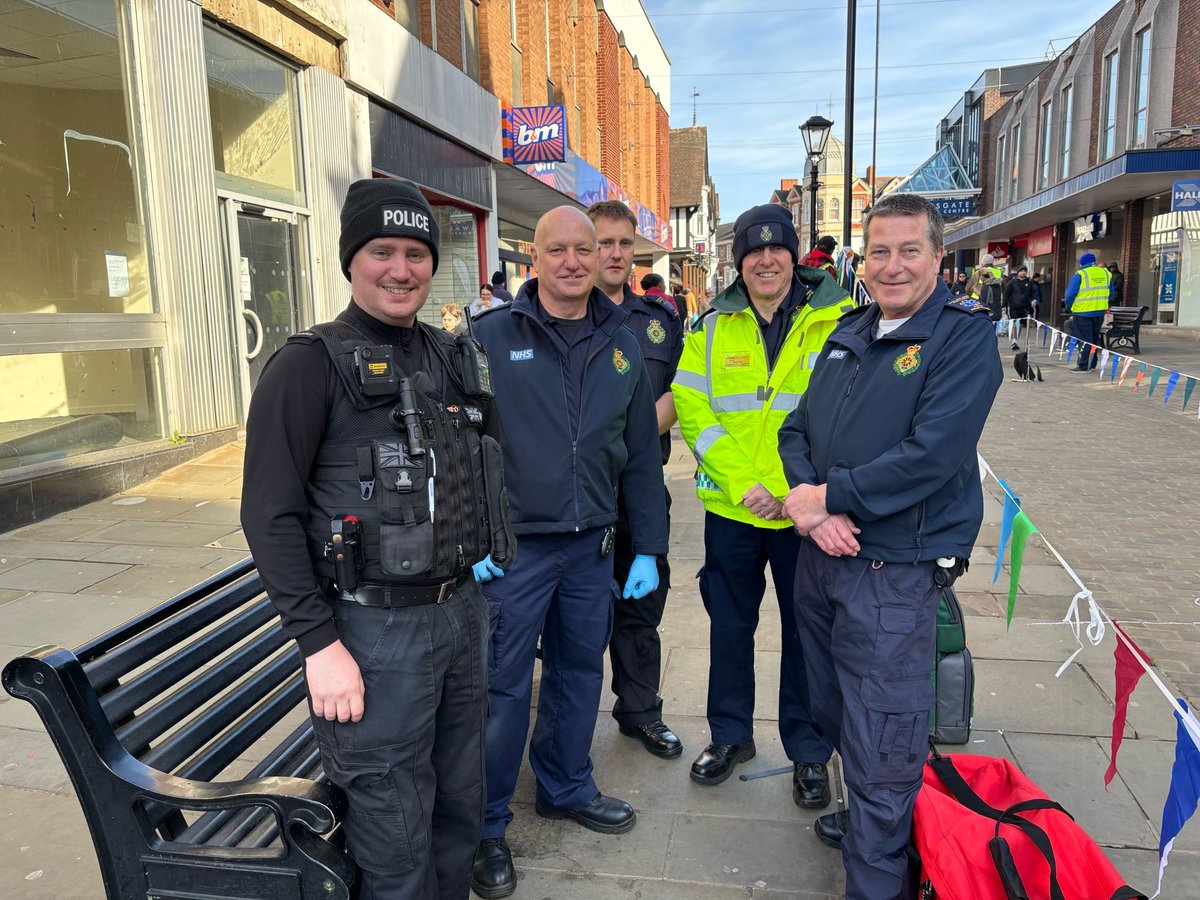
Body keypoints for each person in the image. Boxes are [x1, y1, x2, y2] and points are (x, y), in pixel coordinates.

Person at [241, 178, 514, 900]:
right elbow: (268, 517)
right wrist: (318, 645)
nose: (401, 269)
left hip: (459, 616)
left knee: (458, 811)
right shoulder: (307, 366)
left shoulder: (454, 358)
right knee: (394, 836)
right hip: (371, 636)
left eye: (416, 252)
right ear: (350, 260)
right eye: (381, 251)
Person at [778, 192, 1001, 899]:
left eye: (910, 250)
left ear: (939, 256)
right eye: (879, 251)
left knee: (883, 746)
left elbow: (931, 455)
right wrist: (813, 511)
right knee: (833, 710)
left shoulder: (963, 338)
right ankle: (881, 834)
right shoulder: (850, 332)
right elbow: (794, 431)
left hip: (893, 575)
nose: (893, 264)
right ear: (861, 261)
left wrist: (829, 498)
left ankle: (877, 877)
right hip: (823, 561)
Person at [469, 206, 669, 899]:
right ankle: (486, 827)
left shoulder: (624, 341)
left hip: (591, 551)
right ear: (534, 256)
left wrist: (649, 548)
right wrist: (470, 539)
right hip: (514, 555)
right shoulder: (489, 338)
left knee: (580, 674)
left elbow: (641, 457)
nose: (574, 262)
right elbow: (457, 452)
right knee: (499, 692)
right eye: (558, 250)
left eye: (585, 250)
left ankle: (563, 785)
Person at [671, 203, 855, 806]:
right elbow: (695, 414)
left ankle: (808, 751)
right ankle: (730, 736)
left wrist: (793, 492)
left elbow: (844, 417)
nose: (766, 259)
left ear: (794, 256)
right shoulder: (708, 328)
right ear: (738, 261)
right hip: (733, 509)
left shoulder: (841, 323)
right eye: (753, 251)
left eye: (777, 249)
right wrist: (748, 483)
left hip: (805, 513)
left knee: (807, 634)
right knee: (730, 627)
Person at [586, 201, 686, 760]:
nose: (616, 254)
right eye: (604, 243)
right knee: (574, 615)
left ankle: (640, 711)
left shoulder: (658, 319)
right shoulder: (564, 315)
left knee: (641, 607)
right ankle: (567, 718)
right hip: (579, 493)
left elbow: (678, 393)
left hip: (642, 492)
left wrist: (630, 439)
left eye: (625, 244)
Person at [1065, 251, 1111, 372]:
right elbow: (1111, 292)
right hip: (1099, 312)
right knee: (1094, 338)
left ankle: (1084, 365)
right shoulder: (1106, 273)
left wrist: (1069, 308)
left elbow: (1070, 294)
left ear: (1081, 263)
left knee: (1084, 340)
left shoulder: (1080, 274)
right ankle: (1092, 363)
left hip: (1082, 312)